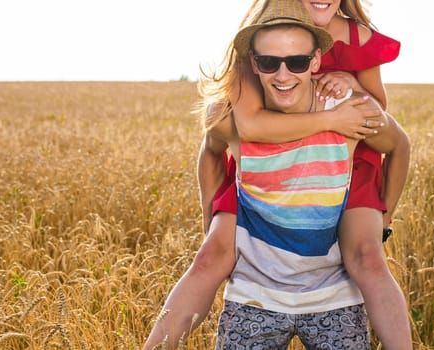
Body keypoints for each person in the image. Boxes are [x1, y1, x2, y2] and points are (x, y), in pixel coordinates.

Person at [142, 0, 413, 348]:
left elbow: (386, 125)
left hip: (347, 155)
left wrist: (351, 93)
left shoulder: (356, 46)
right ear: (256, 62)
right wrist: (210, 217)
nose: (282, 73)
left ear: (315, 60)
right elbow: (245, 128)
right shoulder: (259, 37)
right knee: (211, 257)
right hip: (259, 155)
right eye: (270, 63)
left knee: (367, 257)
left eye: (298, 62)